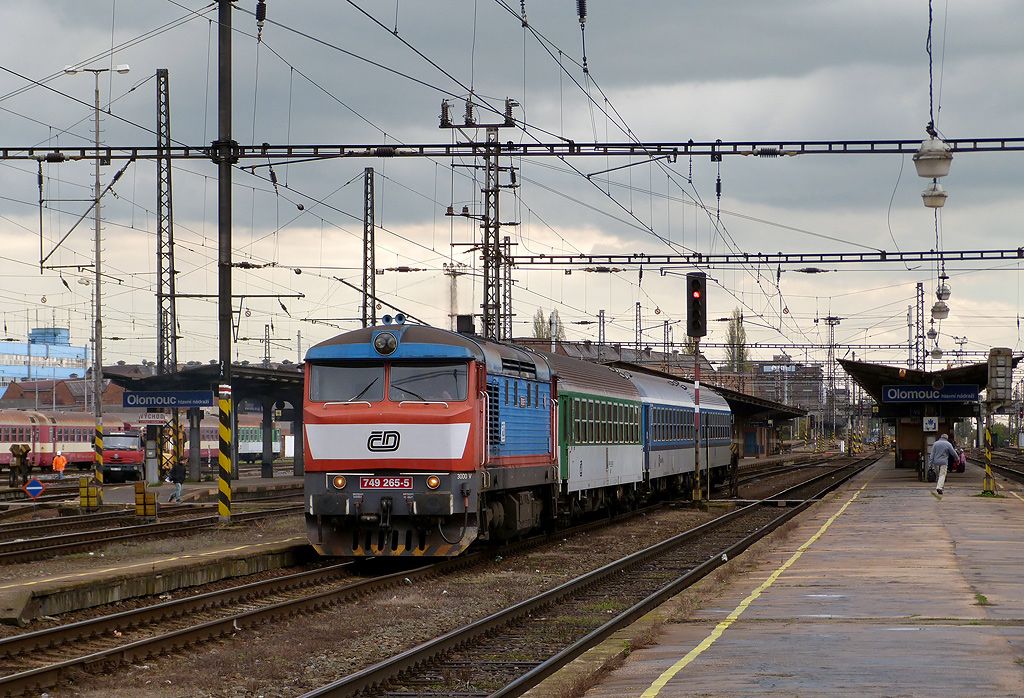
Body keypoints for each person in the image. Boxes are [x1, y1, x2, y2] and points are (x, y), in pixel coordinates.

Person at [928, 433, 958, 498]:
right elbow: (953, 453)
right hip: (944, 462)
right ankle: (939, 487)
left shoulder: (935, 444)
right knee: (942, 475)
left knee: (939, 475)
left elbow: (932, 454)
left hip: (936, 462)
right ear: (946, 438)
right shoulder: (948, 444)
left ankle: (940, 486)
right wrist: (957, 458)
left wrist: (930, 464)